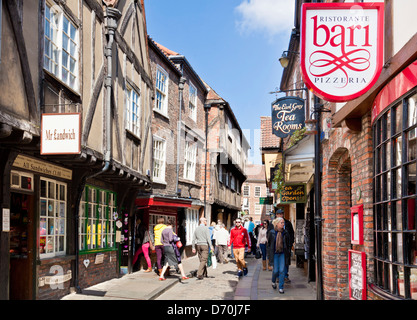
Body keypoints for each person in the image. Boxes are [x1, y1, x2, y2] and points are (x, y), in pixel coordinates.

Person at [268, 217, 291, 294]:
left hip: (282, 254)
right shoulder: (271, 232)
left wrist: (288, 252)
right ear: (277, 224)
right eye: (281, 223)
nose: (283, 224)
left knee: (282, 271)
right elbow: (269, 245)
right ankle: (273, 281)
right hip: (274, 253)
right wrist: (269, 256)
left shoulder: (286, 233)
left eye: (283, 223)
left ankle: (281, 287)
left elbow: (288, 244)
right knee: (275, 271)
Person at [276, 208, 294, 283]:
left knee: (286, 262)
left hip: (286, 246)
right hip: (277, 246)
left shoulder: (288, 223)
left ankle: (285, 276)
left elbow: (292, 234)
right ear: (276, 215)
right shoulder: (273, 224)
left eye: (282, 214)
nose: (280, 215)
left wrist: (290, 244)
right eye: (279, 214)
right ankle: (278, 277)